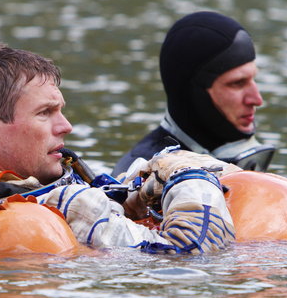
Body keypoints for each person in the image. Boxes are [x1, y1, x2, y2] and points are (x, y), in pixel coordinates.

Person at [0, 36, 236, 254]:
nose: (65, 126)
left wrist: (135, 194)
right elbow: (190, 253)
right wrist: (191, 176)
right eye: (46, 113)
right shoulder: (62, 206)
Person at [113, 11, 275, 176]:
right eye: (237, 84)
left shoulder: (227, 155)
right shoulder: (142, 178)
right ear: (195, 94)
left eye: (253, 79)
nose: (257, 99)